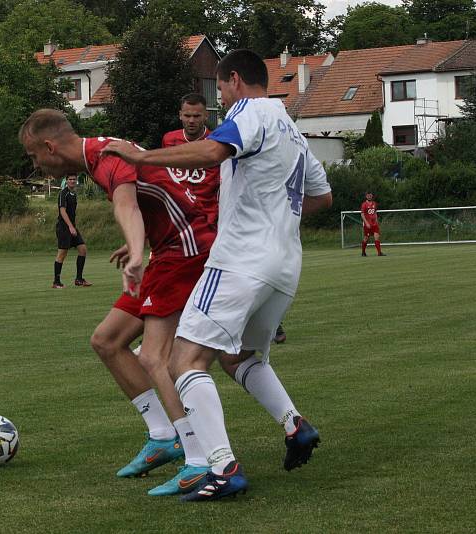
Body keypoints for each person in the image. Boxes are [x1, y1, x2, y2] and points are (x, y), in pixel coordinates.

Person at [103, 49, 333, 501]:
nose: (221, 101)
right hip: (285, 264)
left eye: (222, 89)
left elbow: (211, 151)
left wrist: (142, 157)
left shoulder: (250, 111)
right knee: (240, 358)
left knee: (183, 361)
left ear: (234, 80)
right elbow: (321, 196)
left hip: (241, 259)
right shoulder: (292, 128)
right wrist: (275, 218)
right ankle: (295, 425)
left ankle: (223, 468)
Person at [19, 109, 218, 497]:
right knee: (107, 340)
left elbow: (126, 204)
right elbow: (154, 196)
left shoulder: (107, 156)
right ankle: (163, 435)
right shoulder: (99, 154)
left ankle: (197, 458)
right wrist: (138, 243)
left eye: (33, 157)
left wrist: (138, 255)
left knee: (155, 358)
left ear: (49, 146)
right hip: (173, 247)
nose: (35, 165)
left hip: (185, 249)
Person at [53, 174, 91, 288]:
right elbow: (62, 211)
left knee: (83, 249)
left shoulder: (74, 194)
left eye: (74, 179)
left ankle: (79, 279)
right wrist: (70, 226)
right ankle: (56, 282)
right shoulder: (63, 193)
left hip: (72, 227)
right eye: (70, 179)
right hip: (64, 228)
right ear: (66, 180)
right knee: (62, 253)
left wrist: (73, 226)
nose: (72, 181)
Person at [360, 191, 385, 257]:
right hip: (368, 224)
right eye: (368, 196)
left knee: (377, 237)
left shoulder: (374, 203)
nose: (369, 197)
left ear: (372, 196)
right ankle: (363, 252)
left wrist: (376, 221)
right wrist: (366, 223)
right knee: (366, 238)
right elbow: (362, 214)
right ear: (366, 196)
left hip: (374, 224)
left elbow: (375, 213)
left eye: (370, 196)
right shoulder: (364, 204)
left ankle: (379, 253)